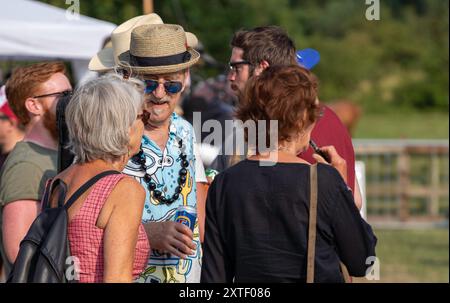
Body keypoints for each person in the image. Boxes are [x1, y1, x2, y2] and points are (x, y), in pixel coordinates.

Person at [201, 65, 377, 283]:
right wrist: (342, 189)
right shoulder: (323, 180)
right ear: (301, 120)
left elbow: (213, 277)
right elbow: (364, 261)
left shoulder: (225, 183)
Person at [210, 26, 361, 208]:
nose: (230, 77)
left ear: (261, 68)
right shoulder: (331, 117)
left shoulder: (265, 128)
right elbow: (356, 200)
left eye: (236, 67)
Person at [117, 23, 206, 283]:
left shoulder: (187, 131)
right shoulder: (111, 135)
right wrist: (147, 234)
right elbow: (85, 220)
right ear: (128, 78)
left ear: (186, 77)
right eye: (148, 84)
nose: (159, 94)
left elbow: (200, 213)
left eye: (172, 86)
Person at [46, 74, 149, 283]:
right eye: (142, 116)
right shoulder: (123, 190)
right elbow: (117, 278)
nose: (144, 125)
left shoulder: (56, 182)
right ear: (124, 126)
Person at [0, 62, 71, 276]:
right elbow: (20, 252)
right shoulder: (26, 165)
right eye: (63, 95)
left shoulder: (58, 152)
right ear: (34, 105)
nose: (71, 103)